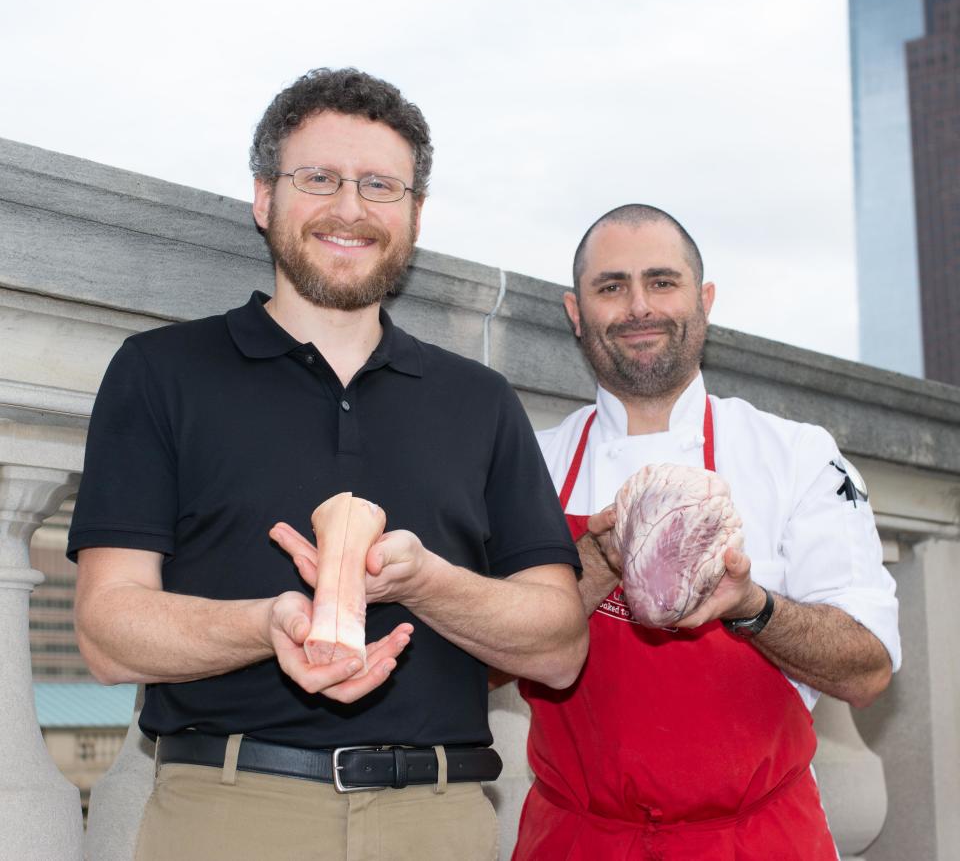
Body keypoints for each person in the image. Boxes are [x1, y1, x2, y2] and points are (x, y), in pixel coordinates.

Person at [69, 67, 588, 861]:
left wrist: (422, 581)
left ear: (414, 216)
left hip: (440, 821)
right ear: (264, 196)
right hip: (227, 816)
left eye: (381, 186)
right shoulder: (160, 372)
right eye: (318, 178)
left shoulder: (480, 401)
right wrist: (269, 622)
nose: (350, 209)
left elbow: (558, 644)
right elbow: (108, 631)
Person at [512, 204, 900, 861]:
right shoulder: (532, 464)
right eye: (611, 287)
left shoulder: (797, 455)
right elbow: (475, 665)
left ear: (705, 300)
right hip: (577, 841)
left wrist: (754, 609)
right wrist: (593, 567)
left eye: (662, 282)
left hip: (757, 840)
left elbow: (868, 671)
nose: (639, 306)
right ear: (576, 312)